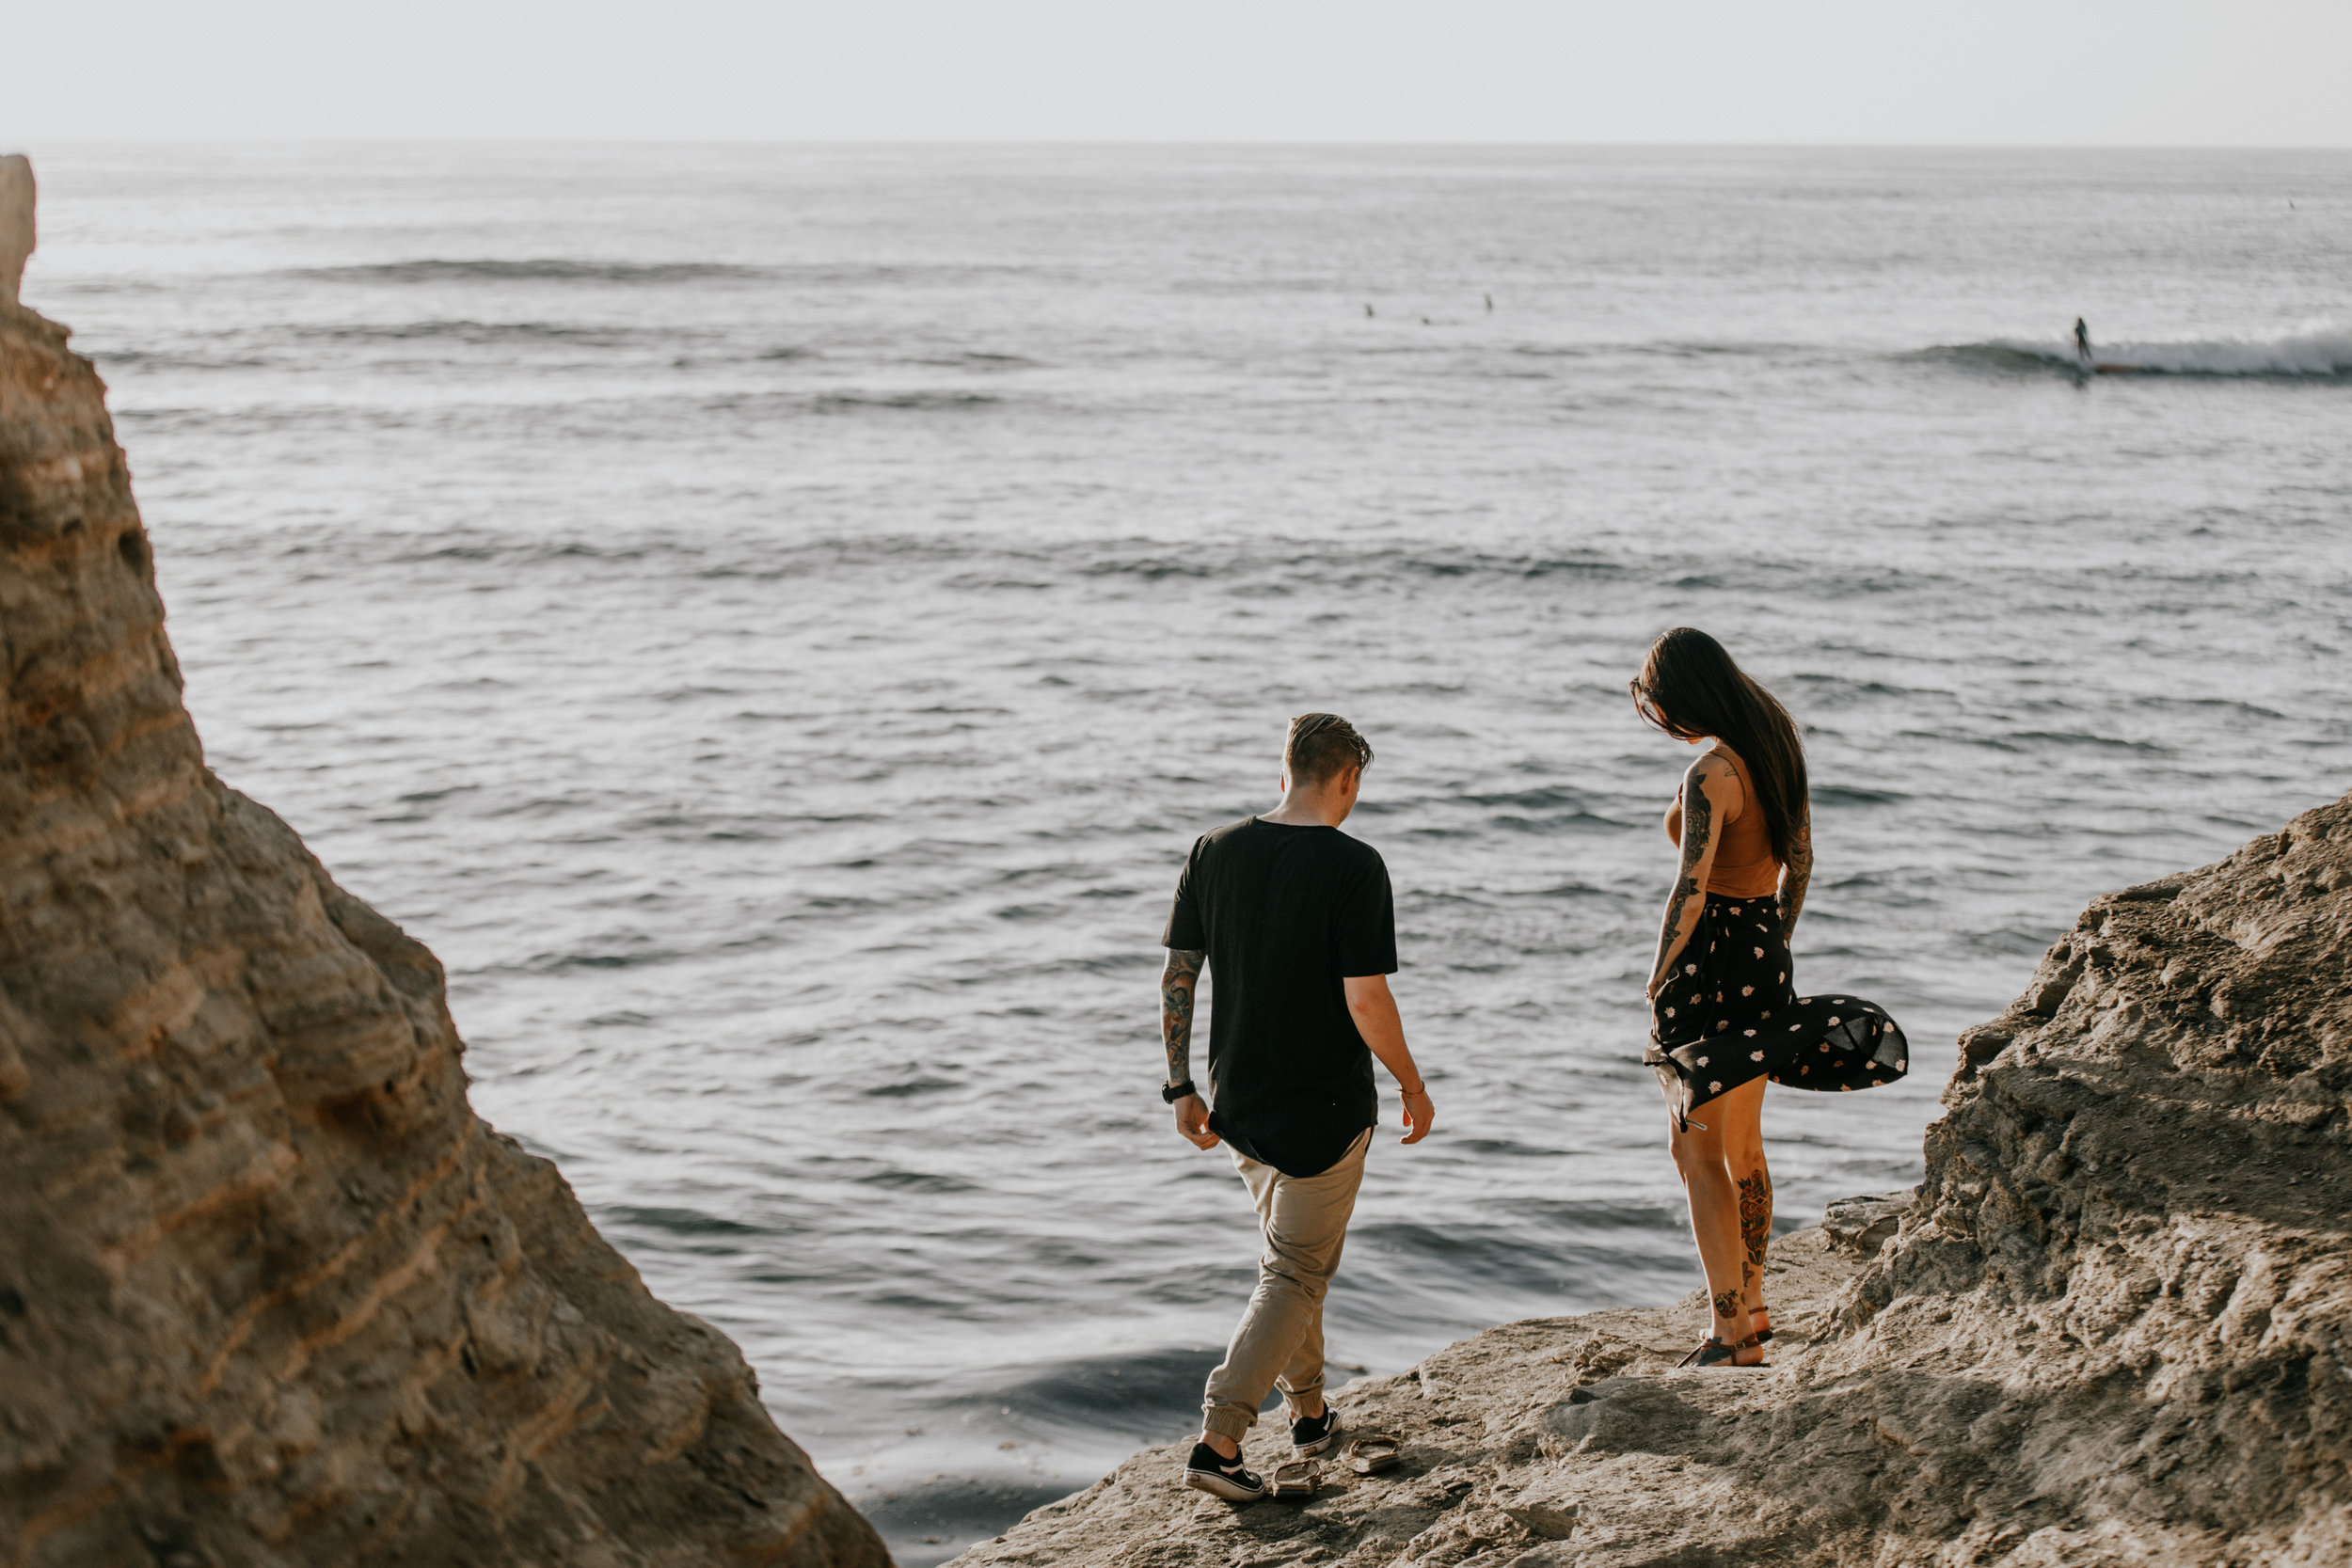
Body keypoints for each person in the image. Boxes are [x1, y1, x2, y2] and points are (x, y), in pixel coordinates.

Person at [1160, 713, 1435, 1500]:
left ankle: (1311, 1415)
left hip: (1238, 1102)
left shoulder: (1212, 851)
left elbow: (1180, 974)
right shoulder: (1356, 865)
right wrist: (1413, 1084)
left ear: (1286, 769)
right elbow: (1367, 997)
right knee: (1295, 1271)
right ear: (1347, 778)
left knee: (1292, 1266)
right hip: (1325, 1112)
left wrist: (1180, 1084)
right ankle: (1219, 1440)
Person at [1630, 628, 1909, 1369]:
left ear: (1685, 696)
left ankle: (1730, 1334)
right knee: (1742, 1142)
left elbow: (1689, 889)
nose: (1662, 718)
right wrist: (1772, 940)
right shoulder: (1778, 744)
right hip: (1761, 950)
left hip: (1710, 959)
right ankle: (1752, 1308)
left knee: (1693, 1147)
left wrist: (1659, 970)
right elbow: (1803, 861)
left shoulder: (1712, 773)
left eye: (1661, 704)